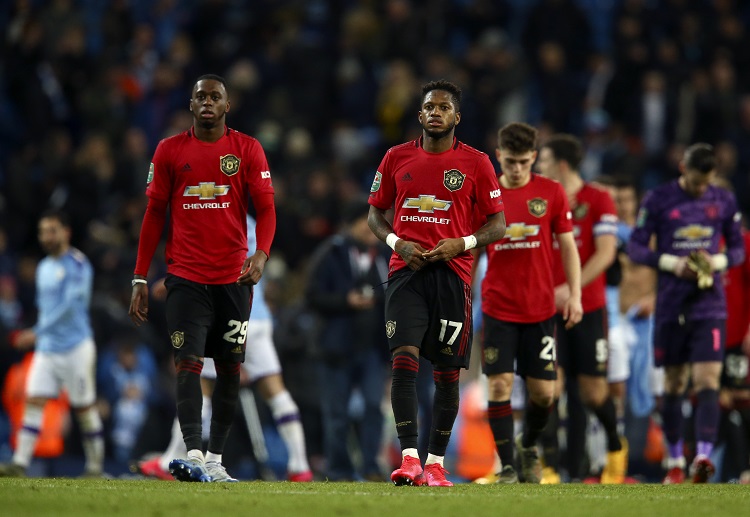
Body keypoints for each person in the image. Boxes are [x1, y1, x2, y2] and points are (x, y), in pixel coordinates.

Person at [128, 74, 276, 483]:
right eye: (200, 96)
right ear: (191, 105)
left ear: (227, 106)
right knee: (188, 364)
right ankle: (193, 453)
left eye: (215, 97)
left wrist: (261, 253)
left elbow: (266, 208)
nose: (207, 102)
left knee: (230, 370)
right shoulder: (169, 150)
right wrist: (140, 277)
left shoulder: (247, 149)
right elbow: (154, 214)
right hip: (186, 278)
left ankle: (215, 459)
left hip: (233, 280)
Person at [367, 79, 506, 487]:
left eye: (444, 107)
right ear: (420, 114)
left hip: (453, 276)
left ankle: (434, 464)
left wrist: (460, 244)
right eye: (429, 106)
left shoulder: (477, 163)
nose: (435, 112)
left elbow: (498, 225)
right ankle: (409, 459)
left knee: (446, 374)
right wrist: (398, 242)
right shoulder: (396, 157)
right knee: (404, 361)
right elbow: (374, 213)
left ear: (456, 117)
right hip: (405, 272)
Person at [137, 215, 312, 482]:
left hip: (225, 311)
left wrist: (173, 281)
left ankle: (170, 459)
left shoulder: (221, 213)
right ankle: (300, 467)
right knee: (276, 392)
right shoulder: (254, 222)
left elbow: (209, 260)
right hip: (259, 317)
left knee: (201, 388)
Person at [628, 143, 745, 484]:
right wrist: (671, 263)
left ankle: (703, 457)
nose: (700, 190)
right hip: (671, 304)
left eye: (706, 183)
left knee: (708, 379)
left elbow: (737, 249)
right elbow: (636, 245)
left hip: (709, 304)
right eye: (695, 183)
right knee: (675, 383)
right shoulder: (658, 199)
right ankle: (675, 460)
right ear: (682, 168)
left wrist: (717, 261)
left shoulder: (722, 200)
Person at [479, 122, 583, 484]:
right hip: (498, 308)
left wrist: (576, 294)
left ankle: (527, 445)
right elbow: (470, 247)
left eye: (524, 161)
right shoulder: (484, 193)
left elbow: (568, 246)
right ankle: (507, 466)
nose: (518, 168)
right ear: (499, 157)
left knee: (544, 393)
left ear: (534, 158)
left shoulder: (551, 192)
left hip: (539, 309)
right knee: (499, 385)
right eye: (511, 161)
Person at [536, 134, 626, 483]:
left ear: (560, 163)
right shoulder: (542, 201)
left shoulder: (599, 198)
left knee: (592, 393)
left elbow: (606, 253)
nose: (538, 167)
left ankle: (616, 447)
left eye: (543, 160)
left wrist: (570, 289)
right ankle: (551, 468)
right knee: (548, 389)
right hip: (547, 311)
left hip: (588, 308)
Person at [0, 210, 105, 478]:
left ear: (65, 232)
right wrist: (39, 333)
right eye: (43, 231)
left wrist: (35, 331)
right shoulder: (44, 267)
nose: (47, 236)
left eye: (52, 230)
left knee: (83, 407)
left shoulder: (78, 265)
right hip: (47, 349)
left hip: (75, 347)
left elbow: (70, 307)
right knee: (33, 400)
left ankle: (94, 466)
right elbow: (46, 309)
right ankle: (20, 462)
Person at [306, 200, 391, 482]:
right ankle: (339, 469)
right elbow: (312, 295)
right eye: (367, 222)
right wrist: (345, 301)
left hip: (372, 348)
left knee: (372, 408)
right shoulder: (331, 252)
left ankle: (370, 466)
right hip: (335, 347)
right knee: (337, 414)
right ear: (352, 223)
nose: (372, 229)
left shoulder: (385, 254)